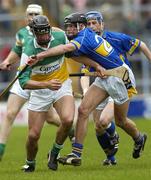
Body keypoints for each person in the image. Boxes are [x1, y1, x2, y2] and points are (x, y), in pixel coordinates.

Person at [27, 13, 148, 167]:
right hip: (104, 76)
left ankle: (139, 138)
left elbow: (65, 48)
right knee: (83, 110)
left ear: (81, 26)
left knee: (121, 121)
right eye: (68, 26)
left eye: (72, 26)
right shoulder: (83, 34)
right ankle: (76, 154)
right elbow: (61, 36)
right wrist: (44, 27)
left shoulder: (83, 38)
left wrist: (40, 55)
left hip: (119, 77)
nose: (69, 29)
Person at [0, 4, 74, 162]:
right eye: (30, 14)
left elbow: (69, 50)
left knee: (53, 119)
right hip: (27, 78)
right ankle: (1, 149)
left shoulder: (56, 33)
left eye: (36, 14)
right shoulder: (21, 34)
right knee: (11, 113)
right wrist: (7, 61)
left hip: (47, 81)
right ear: (26, 17)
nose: (32, 16)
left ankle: (70, 133)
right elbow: (17, 51)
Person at [18, 15, 76, 172]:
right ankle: (30, 163)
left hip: (61, 83)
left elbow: (72, 52)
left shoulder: (60, 36)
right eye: (40, 33)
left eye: (46, 32)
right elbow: (23, 82)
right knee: (33, 136)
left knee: (68, 119)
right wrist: (45, 84)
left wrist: (95, 66)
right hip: (40, 90)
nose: (44, 36)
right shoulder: (28, 51)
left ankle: (54, 153)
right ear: (34, 33)